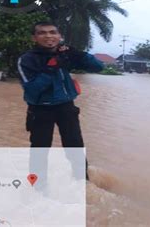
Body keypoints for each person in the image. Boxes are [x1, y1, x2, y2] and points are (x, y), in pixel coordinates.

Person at [17, 21, 104, 181]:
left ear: (59, 36)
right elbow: (32, 90)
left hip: (66, 108)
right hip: (40, 110)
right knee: (39, 151)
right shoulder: (27, 60)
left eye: (52, 32)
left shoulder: (65, 55)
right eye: (42, 33)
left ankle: (83, 185)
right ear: (34, 38)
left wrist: (78, 54)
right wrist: (51, 68)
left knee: (75, 148)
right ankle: (38, 190)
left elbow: (99, 67)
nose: (48, 36)